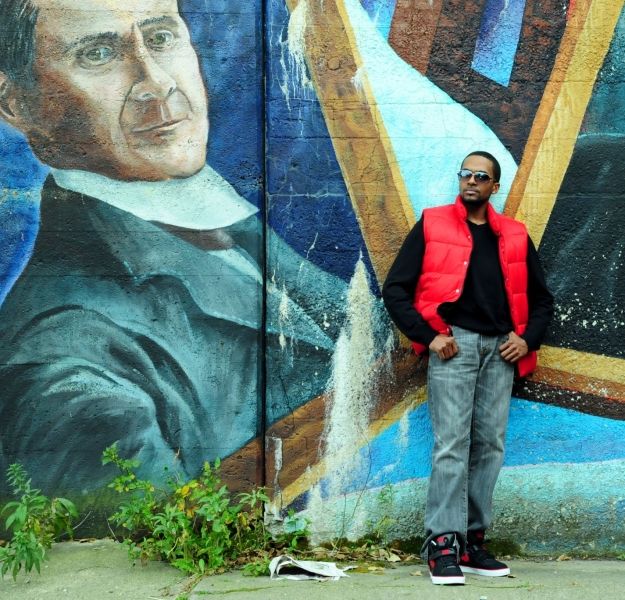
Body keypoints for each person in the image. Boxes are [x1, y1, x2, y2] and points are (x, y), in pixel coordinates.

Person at [0, 0, 344, 496]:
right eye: (97, 54)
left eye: (160, 38)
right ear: (17, 105)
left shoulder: (222, 225)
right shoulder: (64, 365)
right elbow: (144, 536)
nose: (157, 83)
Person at [382, 151, 553, 585]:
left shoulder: (515, 234)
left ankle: (473, 542)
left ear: (495, 186)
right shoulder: (433, 223)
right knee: (451, 444)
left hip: (501, 350)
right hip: (453, 347)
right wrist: (429, 336)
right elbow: (395, 289)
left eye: (481, 176)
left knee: (490, 444)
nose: (471, 181)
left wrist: (526, 340)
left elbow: (542, 300)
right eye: (465, 174)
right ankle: (442, 544)